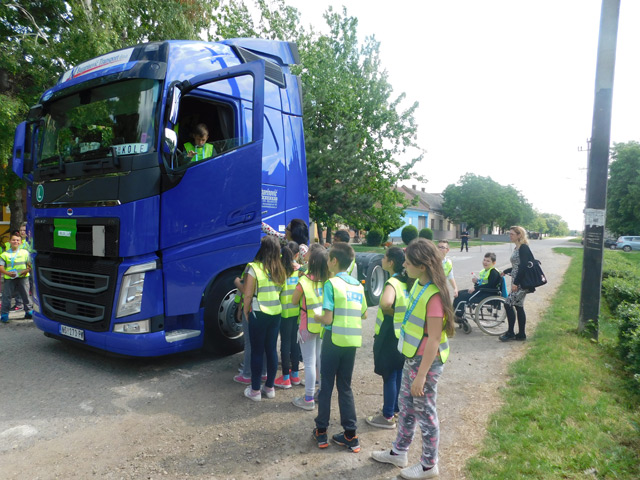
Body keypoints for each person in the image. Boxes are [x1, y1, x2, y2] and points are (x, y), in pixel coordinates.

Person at [371, 238, 455, 479]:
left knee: (426, 413)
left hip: (426, 364)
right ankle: (399, 452)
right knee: (406, 407)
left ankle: (429, 466)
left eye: (407, 263)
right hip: (412, 358)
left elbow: (434, 339)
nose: (403, 266)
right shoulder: (418, 283)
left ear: (422, 265)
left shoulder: (434, 295)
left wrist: (421, 376)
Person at [313, 242, 367, 452]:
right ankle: (351, 435)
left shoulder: (331, 284)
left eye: (328, 259)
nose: (327, 263)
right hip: (351, 342)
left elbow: (327, 318)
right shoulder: (358, 285)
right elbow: (363, 313)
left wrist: (317, 315)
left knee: (326, 386)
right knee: (345, 386)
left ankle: (321, 432)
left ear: (334, 261)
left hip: (333, 340)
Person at [366, 247, 411, 429]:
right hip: (402, 334)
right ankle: (396, 410)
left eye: (385, 257)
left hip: (389, 333)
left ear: (391, 262)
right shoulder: (407, 281)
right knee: (398, 372)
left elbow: (385, 303)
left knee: (389, 375)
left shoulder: (393, 282)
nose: (382, 260)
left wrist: (391, 312)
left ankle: (387, 416)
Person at [241, 236, 286, 401]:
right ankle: (270, 387)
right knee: (271, 350)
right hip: (276, 314)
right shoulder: (280, 269)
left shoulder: (254, 268)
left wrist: (246, 312)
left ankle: (255, 391)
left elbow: (247, 294)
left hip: (258, 313)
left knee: (257, 352)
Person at [291, 246, 330, 410]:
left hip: (306, 326)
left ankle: (308, 399)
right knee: (319, 359)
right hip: (322, 325)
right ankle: (320, 393)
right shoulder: (328, 282)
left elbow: (294, 301)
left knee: (308, 362)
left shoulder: (304, 281)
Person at [275, 242, 303, 388]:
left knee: (285, 344)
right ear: (297, 255)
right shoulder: (300, 271)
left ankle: (285, 377)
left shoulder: (280, 271)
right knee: (295, 343)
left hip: (283, 312)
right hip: (298, 313)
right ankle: (296, 375)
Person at [499, 226, 533, 342]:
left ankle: (510, 332)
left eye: (512, 234)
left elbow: (523, 267)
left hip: (521, 283)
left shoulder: (523, 248)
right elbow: (516, 266)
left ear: (519, 235)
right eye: (510, 234)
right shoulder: (517, 248)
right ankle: (521, 334)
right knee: (518, 306)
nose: (510, 236)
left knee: (508, 304)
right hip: (517, 281)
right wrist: (506, 271)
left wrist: (516, 283)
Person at [453, 252, 502, 321]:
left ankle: (459, 315)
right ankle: (456, 314)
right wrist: (477, 282)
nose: (485, 262)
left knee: (462, 297)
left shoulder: (493, 272)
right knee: (459, 293)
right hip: (482, 291)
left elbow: (490, 285)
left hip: (486, 294)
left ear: (493, 263)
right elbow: (483, 283)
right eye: (484, 260)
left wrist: (475, 288)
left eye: (488, 261)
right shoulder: (485, 271)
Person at [0, 232, 33, 323]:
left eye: (17, 240)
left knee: (26, 295)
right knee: (6, 296)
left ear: (20, 242)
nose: (15, 241)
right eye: (13, 240)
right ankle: (4, 315)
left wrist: (26, 270)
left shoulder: (25, 253)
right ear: (10, 241)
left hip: (23, 277)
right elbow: (1, 267)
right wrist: (8, 273)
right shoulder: (4, 254)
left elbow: (29, 265)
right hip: (9, 278)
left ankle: (29, 312)